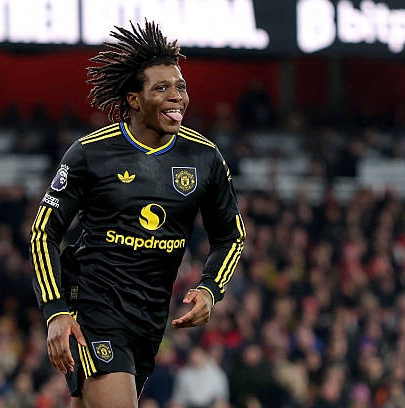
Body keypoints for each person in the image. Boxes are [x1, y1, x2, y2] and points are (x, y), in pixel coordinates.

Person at [29, 20, 246, 408]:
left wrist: (210, 289)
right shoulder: (91, 153)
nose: (176, 96)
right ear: (134, 99)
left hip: (149, 319)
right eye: (161, 88)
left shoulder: (204, 158)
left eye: (180, 86)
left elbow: (230, 235)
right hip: (93, 306)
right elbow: (43, 232)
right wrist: (55, 311)